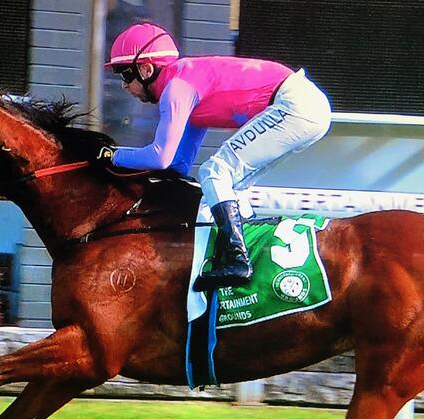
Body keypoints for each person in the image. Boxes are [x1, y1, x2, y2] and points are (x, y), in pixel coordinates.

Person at [103, 22, 332, 292]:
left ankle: (238, 261)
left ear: (146, 70)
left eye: (126, 75)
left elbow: (160, 157)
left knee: (215, 171)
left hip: (295, 105)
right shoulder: (185, 83)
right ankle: (247, 255)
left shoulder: (176, 89)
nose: (124, 86)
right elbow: (178, 165)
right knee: (231, 185)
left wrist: (111, 156)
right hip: (304, 105)